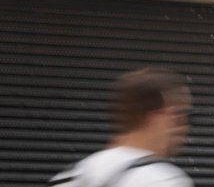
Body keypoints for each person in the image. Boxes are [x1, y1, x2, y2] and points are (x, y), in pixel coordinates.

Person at [50, 68, 193, 187]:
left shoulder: (74, 175)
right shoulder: (162, 180)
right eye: (179, 116)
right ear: (156, 117)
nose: (184, 127)